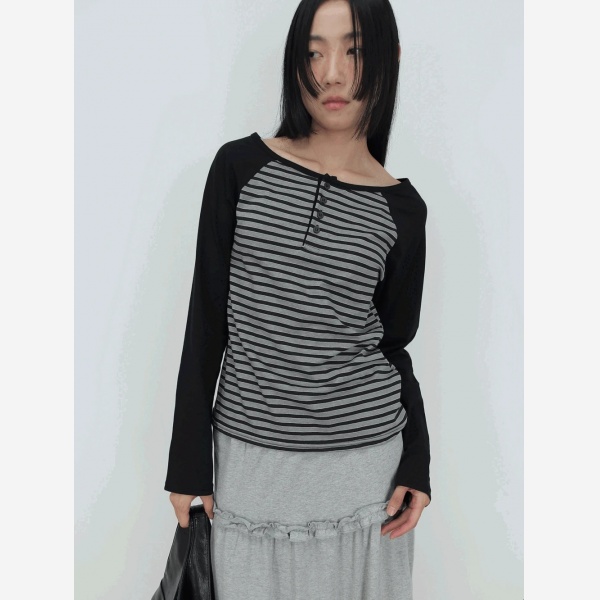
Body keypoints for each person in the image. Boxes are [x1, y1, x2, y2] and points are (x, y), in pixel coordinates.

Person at [164, 0, 432, 597]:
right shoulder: (241, 167)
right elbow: (206, 320)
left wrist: (417, 459)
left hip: (368, 480)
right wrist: (187, 461)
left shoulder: (402, 210)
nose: (332, 73)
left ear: (389, 58)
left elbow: (393, 347)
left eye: (354, 50)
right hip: (251, 472)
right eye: (314, 52)